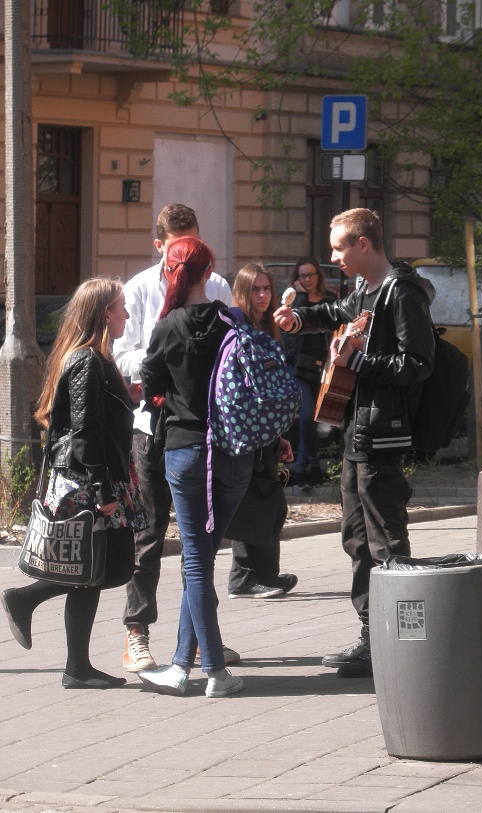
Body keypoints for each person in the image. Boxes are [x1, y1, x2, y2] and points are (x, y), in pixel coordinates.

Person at [274, 209, 436, 678]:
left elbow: (417, 363)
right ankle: (371, 636)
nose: (333, 257)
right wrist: (296, 320)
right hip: (357, 430)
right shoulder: (363, 289)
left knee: (387, 540)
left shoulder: (401, 293)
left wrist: (359, 363)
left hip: (383, 432)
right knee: (357, 538)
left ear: (364, 243)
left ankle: (404, 642)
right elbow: (333, 313)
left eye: (339, 247)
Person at [1, 278, 145, 689]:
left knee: (98, 568)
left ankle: (76, 665)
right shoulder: (86, 361)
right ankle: (27, 601)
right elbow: (84, 432)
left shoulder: (98, 358)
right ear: (103, 313)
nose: (127, 315)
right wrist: (102, 492)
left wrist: (129, 397)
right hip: (88, 480)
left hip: (99, 477)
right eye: (121, 307)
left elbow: (97, 419)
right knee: (95, 567)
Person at [113, 203, 235, 674]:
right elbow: (121, 354)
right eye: (176, 247)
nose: (185, 255)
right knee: (148, 533)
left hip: (203, 430)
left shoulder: (216, 285)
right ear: (160, 246)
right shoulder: (141, 288)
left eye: (194, 243)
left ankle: (201, 639)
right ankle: (137, 632)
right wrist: (161, 355)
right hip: (152, 429)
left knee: (199, 540)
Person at [136, 235, 254, 697]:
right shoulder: (233, 320)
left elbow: (150, 387)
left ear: (170, 271)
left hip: (186, 451)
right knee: (201, 557)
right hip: (235, 452)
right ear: (210, 271)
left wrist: (168, 396)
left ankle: (216, 673)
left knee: (196, 562)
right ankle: (182, 666)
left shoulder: (168, 327)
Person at [224, 263, 297, 599]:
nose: (263, 295)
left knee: (264, 502)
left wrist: (278, 435)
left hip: (263, 431)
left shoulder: (266, 329)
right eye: (255, 289)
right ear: (243, 292)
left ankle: (258, 576)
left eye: (267, 288)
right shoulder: (236, 330)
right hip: (244, 431)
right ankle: (249, 578)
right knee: (258, 503)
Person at [284, 257, 336, 489]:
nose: (307, 280)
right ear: (297, 279)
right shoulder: (293, 301)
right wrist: (300, 297)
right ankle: (312, 464)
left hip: (322, 368)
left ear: (318, 276)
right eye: (303, 276)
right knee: (306, 416)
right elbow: (292, 329)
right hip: (297, 367)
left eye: (311, 275)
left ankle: (302, 469)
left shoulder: (330, 301)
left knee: (316, 418)